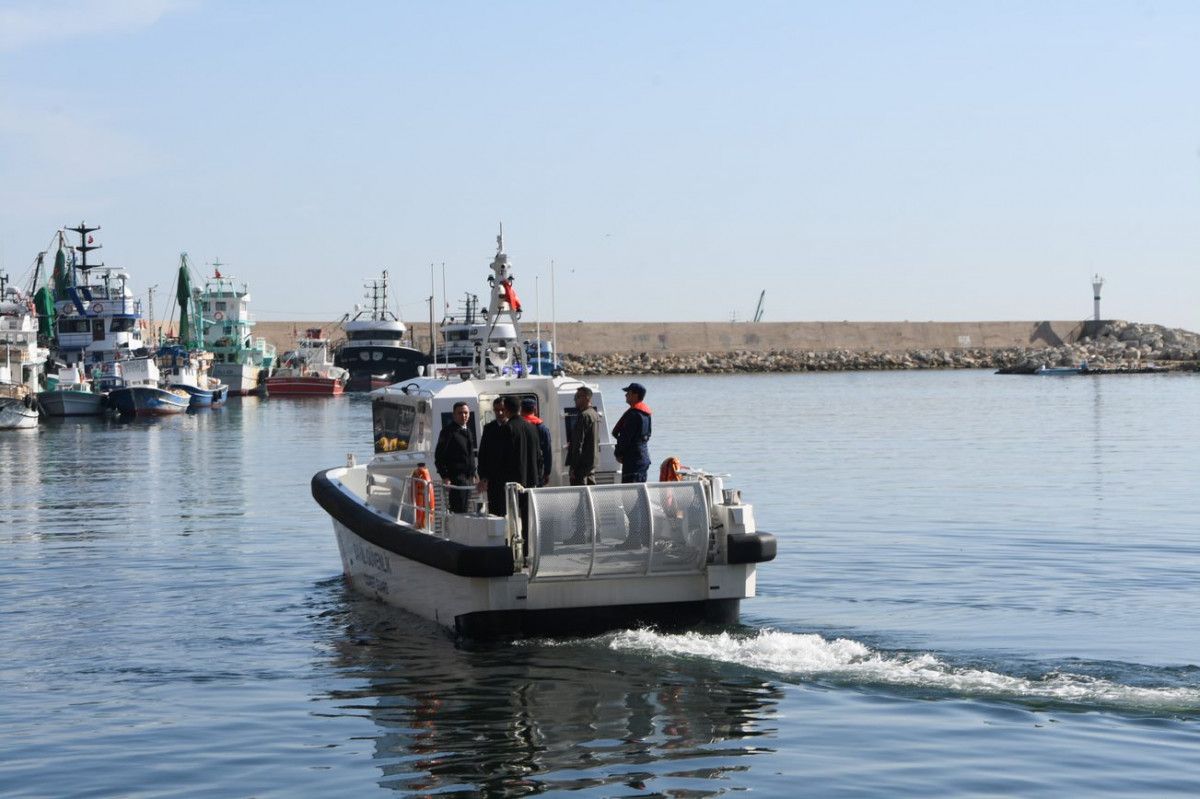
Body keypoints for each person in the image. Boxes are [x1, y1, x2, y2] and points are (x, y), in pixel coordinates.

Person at [434, 401, 475, 513]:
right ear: (454, 415)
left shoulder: (468, 431)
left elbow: (470, 454)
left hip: (468, 478)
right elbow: (439, 457)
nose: (463, 415)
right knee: (458, 509)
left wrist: (474, 473)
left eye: (466, 413)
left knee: (466, 508)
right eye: (460, 413)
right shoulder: (448, 432)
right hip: (456, 478)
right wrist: (445, 476)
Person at [612, 382, 652, 483]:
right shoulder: (646, 414)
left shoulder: (633, 414)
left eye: (628, 393)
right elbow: (648, 434)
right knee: (639, 492)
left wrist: (618, 453)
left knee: (630, 494)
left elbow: (625, 437)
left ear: (635, 395)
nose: (625, 395)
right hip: (643, 457)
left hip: (633, 460)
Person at [476, 398, 509, 515]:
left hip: (510, 478)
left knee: (511, 510)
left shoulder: (513, 427)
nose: (500, 413)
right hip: (493, 479)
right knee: (494, 511)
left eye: (502, 410)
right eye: (497, 410)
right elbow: (483, 454)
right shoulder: (489, 428)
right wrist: (483, 477)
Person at [566, 386, 600, 486]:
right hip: (591, 463)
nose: (575, 399)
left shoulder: (584, 416)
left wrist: (573, 467)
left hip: (581, 465)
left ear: (587, 398)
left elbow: (578, 443)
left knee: (579, 497)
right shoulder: (594, 414)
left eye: (577, 397)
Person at [520, 397, 552, 486]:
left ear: (521, 410)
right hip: (537, 468)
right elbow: (547, 450)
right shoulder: (541, 428)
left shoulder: (517, 426)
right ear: (535, 409)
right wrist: (547, 472)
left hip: (519, 468)